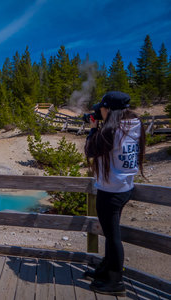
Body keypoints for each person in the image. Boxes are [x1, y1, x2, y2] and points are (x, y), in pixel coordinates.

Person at [84, 91, 145, 296]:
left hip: (110, 189)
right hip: (125, 186)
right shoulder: (133, 126)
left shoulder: (111, 130)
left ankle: (116, 281)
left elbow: (91, 151)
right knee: (111, 235)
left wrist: (93, 129)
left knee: (113, 237)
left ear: (108, 109)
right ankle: (105, 271)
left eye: (101, 108)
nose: (99, 112)